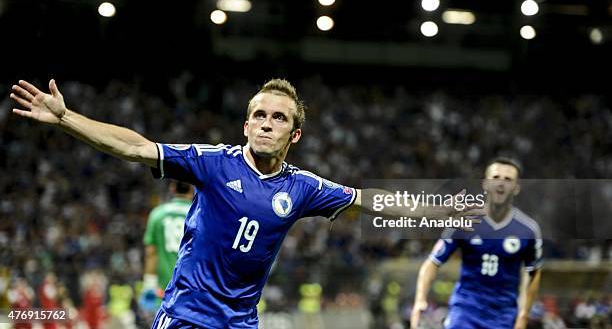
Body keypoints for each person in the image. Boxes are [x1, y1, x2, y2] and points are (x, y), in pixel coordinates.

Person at [10, 78, 482, 328]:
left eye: (278, 118)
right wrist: (67, 117)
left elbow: (368, 203)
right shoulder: (213, 164)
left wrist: (441, 207)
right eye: (258, 114)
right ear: (245, 124)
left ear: (293, 134)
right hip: (186, 317)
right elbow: (136, 147)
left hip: (239, 324)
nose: (265, 123)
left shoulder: (302, 188)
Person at [410, 158, 543, 329]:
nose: (501, 183)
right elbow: (432, 262)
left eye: (508, 179)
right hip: (465, 310)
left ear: (516, 188)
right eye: (495, 177)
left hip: (504, 315)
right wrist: (420, 300)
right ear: (485, 184)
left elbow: (533, 273)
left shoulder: (527, 230)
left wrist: (523, 315)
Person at [141, 181, 194, 312]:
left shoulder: (157, 214)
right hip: (191, 290)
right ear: (192, 189)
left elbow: (151, 253)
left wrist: (148, 284)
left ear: (172, 188)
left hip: (164, 291)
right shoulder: (199, 215)